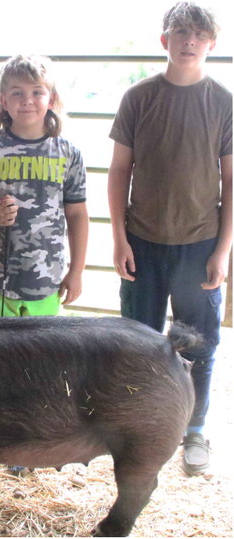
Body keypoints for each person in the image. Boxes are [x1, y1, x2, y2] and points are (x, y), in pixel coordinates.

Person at [108, 1, 232, 475]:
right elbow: (120, 171)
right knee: (138, 339)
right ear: (165, 40)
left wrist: (223, 250)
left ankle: (194, 430)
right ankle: (138, 425)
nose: (189, 41)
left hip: (200, 242)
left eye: (199, 34)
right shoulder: (139, 98)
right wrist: (119, 238)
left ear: (211, 44)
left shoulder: (222, 102)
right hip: (143, 240)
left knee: (200, 341)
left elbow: (231, 179)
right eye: (180, 31)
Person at [0, 55, 89, 320]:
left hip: (47, 279)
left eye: (37, 92)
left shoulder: (68, 153)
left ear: (51, 100)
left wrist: (76, 271)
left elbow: (77, 214)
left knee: (40, 355)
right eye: (17, 92)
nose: (27, 100)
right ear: (3, 101)